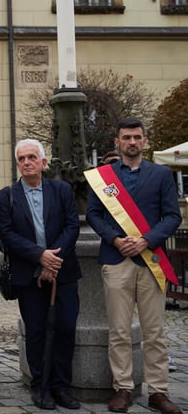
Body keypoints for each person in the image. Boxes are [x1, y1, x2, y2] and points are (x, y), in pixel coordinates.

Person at [86, 118, 183, 414]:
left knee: (154, 331)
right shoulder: (101, 177)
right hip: (117, 260)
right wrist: (116, 239)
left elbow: (172, 216)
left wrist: (146, 240)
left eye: (137, 137)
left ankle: (158, 392)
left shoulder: (162, 174)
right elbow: (94, 215)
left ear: (144, 141)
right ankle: (123, 389)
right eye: (126, 137)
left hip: (151, 259)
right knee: (119, 331)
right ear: (117, 141)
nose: (132, 142)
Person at [0, 139, 81, 410]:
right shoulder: (6, 196)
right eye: (21, 158)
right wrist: (39, 256)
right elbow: (7, 235)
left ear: (43, 163)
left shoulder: (62, 190)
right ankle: (40, 386)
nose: (27, 162)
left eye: (32, 157)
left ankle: (61, 387)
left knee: (65, 329)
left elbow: (72, 226)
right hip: (28, 275)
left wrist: (52, 260)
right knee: (36, 331)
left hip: (62, 273)